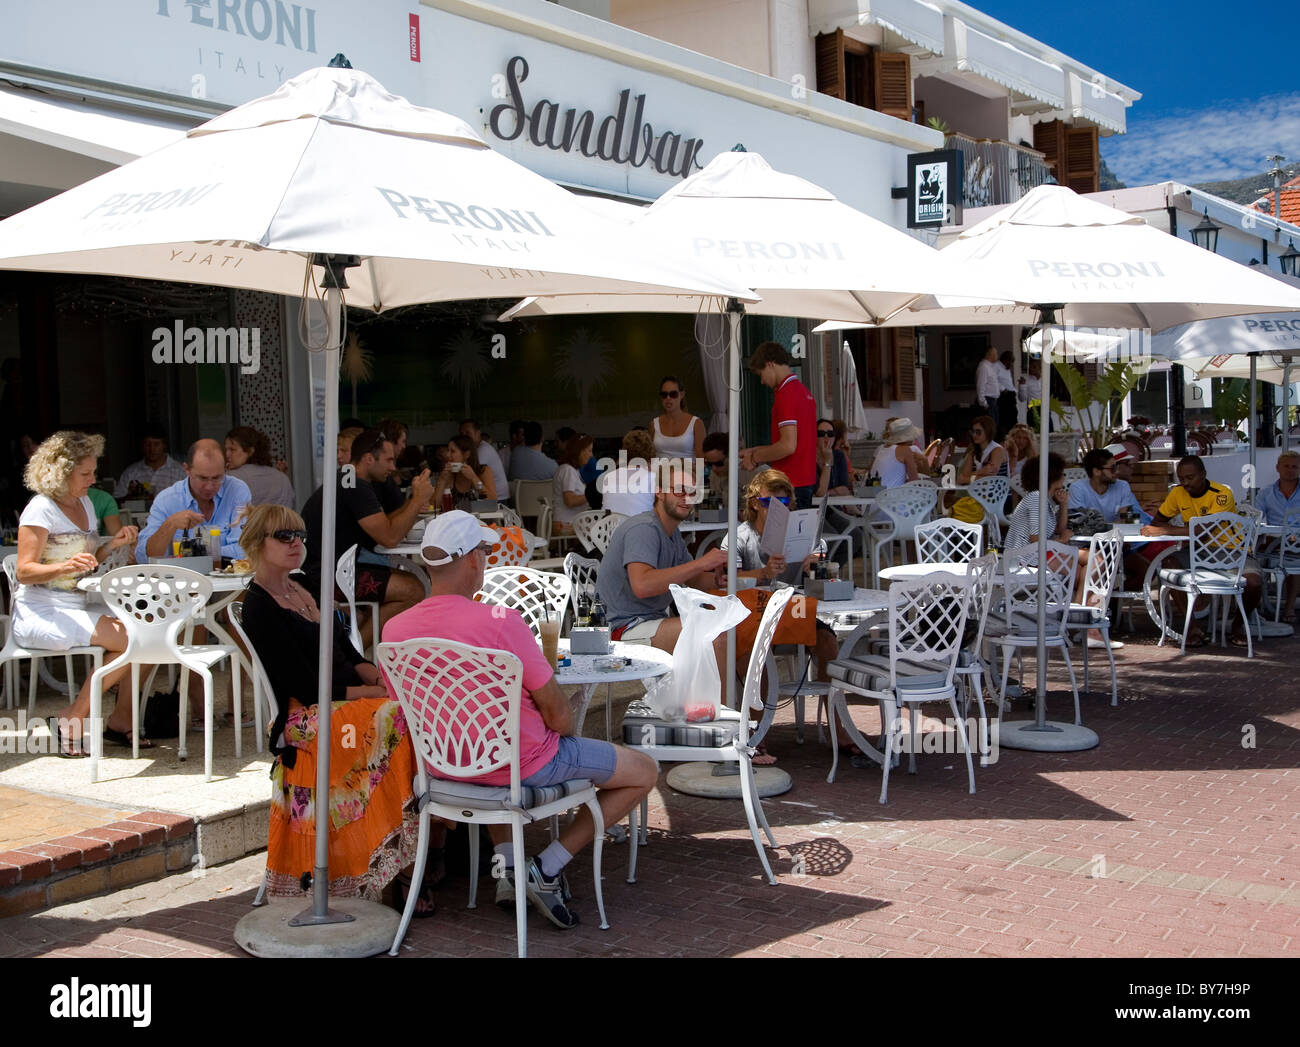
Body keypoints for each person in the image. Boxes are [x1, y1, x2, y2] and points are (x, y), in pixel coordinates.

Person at [383, 511, 658, 929]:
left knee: (501, 747)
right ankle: (546, 867)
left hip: (442, 769)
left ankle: (510, 874)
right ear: (473, 559)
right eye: (484, 550)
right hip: (520, 766)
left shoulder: (395, 630)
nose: (486, 558)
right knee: (644, 771)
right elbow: (560, 717)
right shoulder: (502, 622)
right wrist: (553, 727)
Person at [237, 503, 432, 909]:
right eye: (285, 536)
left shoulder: (305, 585)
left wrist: (371, 672)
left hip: (341, 697)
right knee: (398, 719)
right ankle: (402, 863)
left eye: (301, 536)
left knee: (417, 707)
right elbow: (301, 684)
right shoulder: (259, 605)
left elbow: (344, 646)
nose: (297, 544)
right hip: (306, 713)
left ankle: (418, 850)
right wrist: (370, 693)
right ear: (258, 543)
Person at [13, 432, 142, 755]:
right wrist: (64, 567)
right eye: (85, 473)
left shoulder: (84, 502)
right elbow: (23, 571)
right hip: (41, 609)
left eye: (93, 471)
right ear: (62, 471)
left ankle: (77, 716)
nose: (93, 479)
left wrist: (112, 544)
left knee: (142, 633)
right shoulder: (40, 509)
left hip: (76, 603)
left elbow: (86, 561)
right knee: (132, 640)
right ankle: (74, 718)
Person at [301, 428, 432, 640]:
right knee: (413, 589)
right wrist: (416, 501)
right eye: (389, 460)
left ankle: (360, 648)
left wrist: (412, 504)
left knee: (412, 582)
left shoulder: (348, 478)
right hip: (325, 577)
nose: (393, 467)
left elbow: (386, 524)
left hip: (328, 569)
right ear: (369, 458)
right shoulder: (354, 486)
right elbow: (389, 537)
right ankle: (356, 654)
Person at [595, 462, 730, 666]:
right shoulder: (644, 528)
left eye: (692, 492)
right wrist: (701, 563)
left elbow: (692, 579)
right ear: (659, 492)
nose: (686, 497)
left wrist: (717, 580)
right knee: (715, 634)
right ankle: (717, 700)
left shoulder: (671, 531)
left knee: (736, 631)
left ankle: (742, 699)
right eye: (678, 490)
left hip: (649, 621)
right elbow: (642, 585)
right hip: (621, 628)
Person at [1141, 455, 1263, 647]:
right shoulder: (1177, 493)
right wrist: (1164, 526)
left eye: (1190, 478)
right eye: (1181, 478)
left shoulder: (1221, 494)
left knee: (1254, 583)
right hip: (1197, 551)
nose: (1185, 483)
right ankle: (1191, 628)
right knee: (1168, 564)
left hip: (1232, 550)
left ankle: (1238, 624)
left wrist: (1166, 530)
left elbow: (1202, 531)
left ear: (1203, 474)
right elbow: (1158, 520)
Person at [136, 439, 251, 563]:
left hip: (228, 579)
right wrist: (170, 525)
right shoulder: (167, 500)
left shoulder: (237, 490)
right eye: (202, 478)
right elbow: (144, 557)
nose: (209, 486)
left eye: (217, 478)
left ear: (226, 469)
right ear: (187, 469)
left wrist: (192, 552)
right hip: (181, 580)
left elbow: (244, 549)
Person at [740, 342, 817, 509]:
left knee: (782, 534)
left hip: (789, 484)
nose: (762, 381)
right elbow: (795, 442)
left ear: (770, 364)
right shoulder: (804, 391)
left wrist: (754, 458)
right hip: (805, 480)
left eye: (761, 374)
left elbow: (788, 446)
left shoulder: (785, 395)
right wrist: (755, 451)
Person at [1255, 450, 1300, 622]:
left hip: (1297, 544)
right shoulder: (1266, 493)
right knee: (1251, 555)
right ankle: (1257, 605)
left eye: (1294, 467)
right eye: (1286, 466)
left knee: (1294, 555)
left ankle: (1289, 609)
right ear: (1278, 468)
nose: (1290, 470)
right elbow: (1256, 517)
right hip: (1273, 542)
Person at [1004, 453, 1073, 552]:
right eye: (1062, 474)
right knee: (1094, 559)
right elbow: (1035, 541)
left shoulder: (1045, 499)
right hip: (1025, 558)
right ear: (1053, 477)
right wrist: (1061, 541)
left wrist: (1063, 504)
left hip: (1037, 555)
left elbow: (1059, 530)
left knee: (1092, 558)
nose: (1064, 478)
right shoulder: (1036, 498)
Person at [224, 426, 296, 508]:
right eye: (226, 449)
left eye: (232, 450)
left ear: (250, 451)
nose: (227, 454)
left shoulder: (231, 478)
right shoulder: (282, 478)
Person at [114, 425, 186, 499]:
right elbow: (118, 500)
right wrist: (130, 496)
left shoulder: (180, 471)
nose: (152, 449)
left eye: (156, 444)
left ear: (164, 445)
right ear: (142, 446)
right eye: (147, 444)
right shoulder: (131, 472)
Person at [598, 428, 656, 517]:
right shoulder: (653, 478)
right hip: (639, 528)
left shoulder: (609, 476)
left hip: (611, 529)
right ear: (650, 452)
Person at [651, 375, 705, 463]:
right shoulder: (653, 424)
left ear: (682, 394)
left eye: (673, 394)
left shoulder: (696, 423)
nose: (668, 398)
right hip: (659, 474)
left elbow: (701, 459)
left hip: (687, 474)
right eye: (664, 395)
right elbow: (650, 455)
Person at [436, 434, 497, 511]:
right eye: (448, 450)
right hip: (456, 521)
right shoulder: (449, 475)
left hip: (480, 520)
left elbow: (493, 501)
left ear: (466, 454)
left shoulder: (483, 471)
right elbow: (434, 507)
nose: (448, 455)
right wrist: (441, 481)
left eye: (452, 451)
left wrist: (474, 478)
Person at [552, 434, 593, 533]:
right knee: (602, 531)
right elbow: (570, 501)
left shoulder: (572, 470)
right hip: (566, 524)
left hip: (569, 522)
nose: (591, 455)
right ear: (580, 451)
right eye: (589, 451)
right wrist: (593, 495)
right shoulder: (568, 470)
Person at [459, 419, 507, 499]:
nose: (464, 437)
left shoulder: (483, 450)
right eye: (461, 434)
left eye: (468, 433)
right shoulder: (477, 449)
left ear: (478, 433)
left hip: (498, 499)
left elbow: (472, 473)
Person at [869, 418, 922, 489]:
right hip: (893, 496)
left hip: (875, 494)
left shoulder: (882, 449)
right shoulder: (905, 450)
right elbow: (914, 480)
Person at [957, 415, 1008, 484]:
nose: (974, 435)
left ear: (988, 432)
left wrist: (968, 478)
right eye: (973, 432)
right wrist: (982, 471)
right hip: (978, 493)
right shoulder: (972, 454)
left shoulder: (997, 450)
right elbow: (960, 479)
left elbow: (989, 480)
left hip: (997, 494)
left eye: (978, 432)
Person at [375, 419, 410, 507]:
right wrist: (416, 500)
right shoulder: (378, 477)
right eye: (403, 441)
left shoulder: (385, 476)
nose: (404, 446)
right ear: (390, 442)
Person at [815, 417, 853, 497]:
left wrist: (827, 493)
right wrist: (828, 461)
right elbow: (820, 491)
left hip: (835, 506)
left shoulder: (838, 455)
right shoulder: (809, 458)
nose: (826, 437)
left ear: (834, 437)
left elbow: (845, 489)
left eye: (830, 434)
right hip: (814, 508)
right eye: (821, 433)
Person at [975, 346, 1002, 434]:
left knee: (994, 427)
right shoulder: (983, 367)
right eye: (995, 353)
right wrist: (984, 403)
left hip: (993, 401)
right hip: (988, 401)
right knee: (988, 429)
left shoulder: (990, 367)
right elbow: (981, 385)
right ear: (989, 354)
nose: (997, 355)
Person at [702, 432, 729, 501]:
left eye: (718, 463)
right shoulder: (713, 476)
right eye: (709, 464)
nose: (713, 468)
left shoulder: (750, 474)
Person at [997, 351, 1018, 437]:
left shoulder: (1007, 369)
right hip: (1004, 396)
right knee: (1005, 418)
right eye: (1011, 361)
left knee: (1013, 417)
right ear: (1006, 360)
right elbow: (993, 379)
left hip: (1010, 394)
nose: (1011, 364)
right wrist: (1002, 388)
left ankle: (1012, 436)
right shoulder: (996, 367)